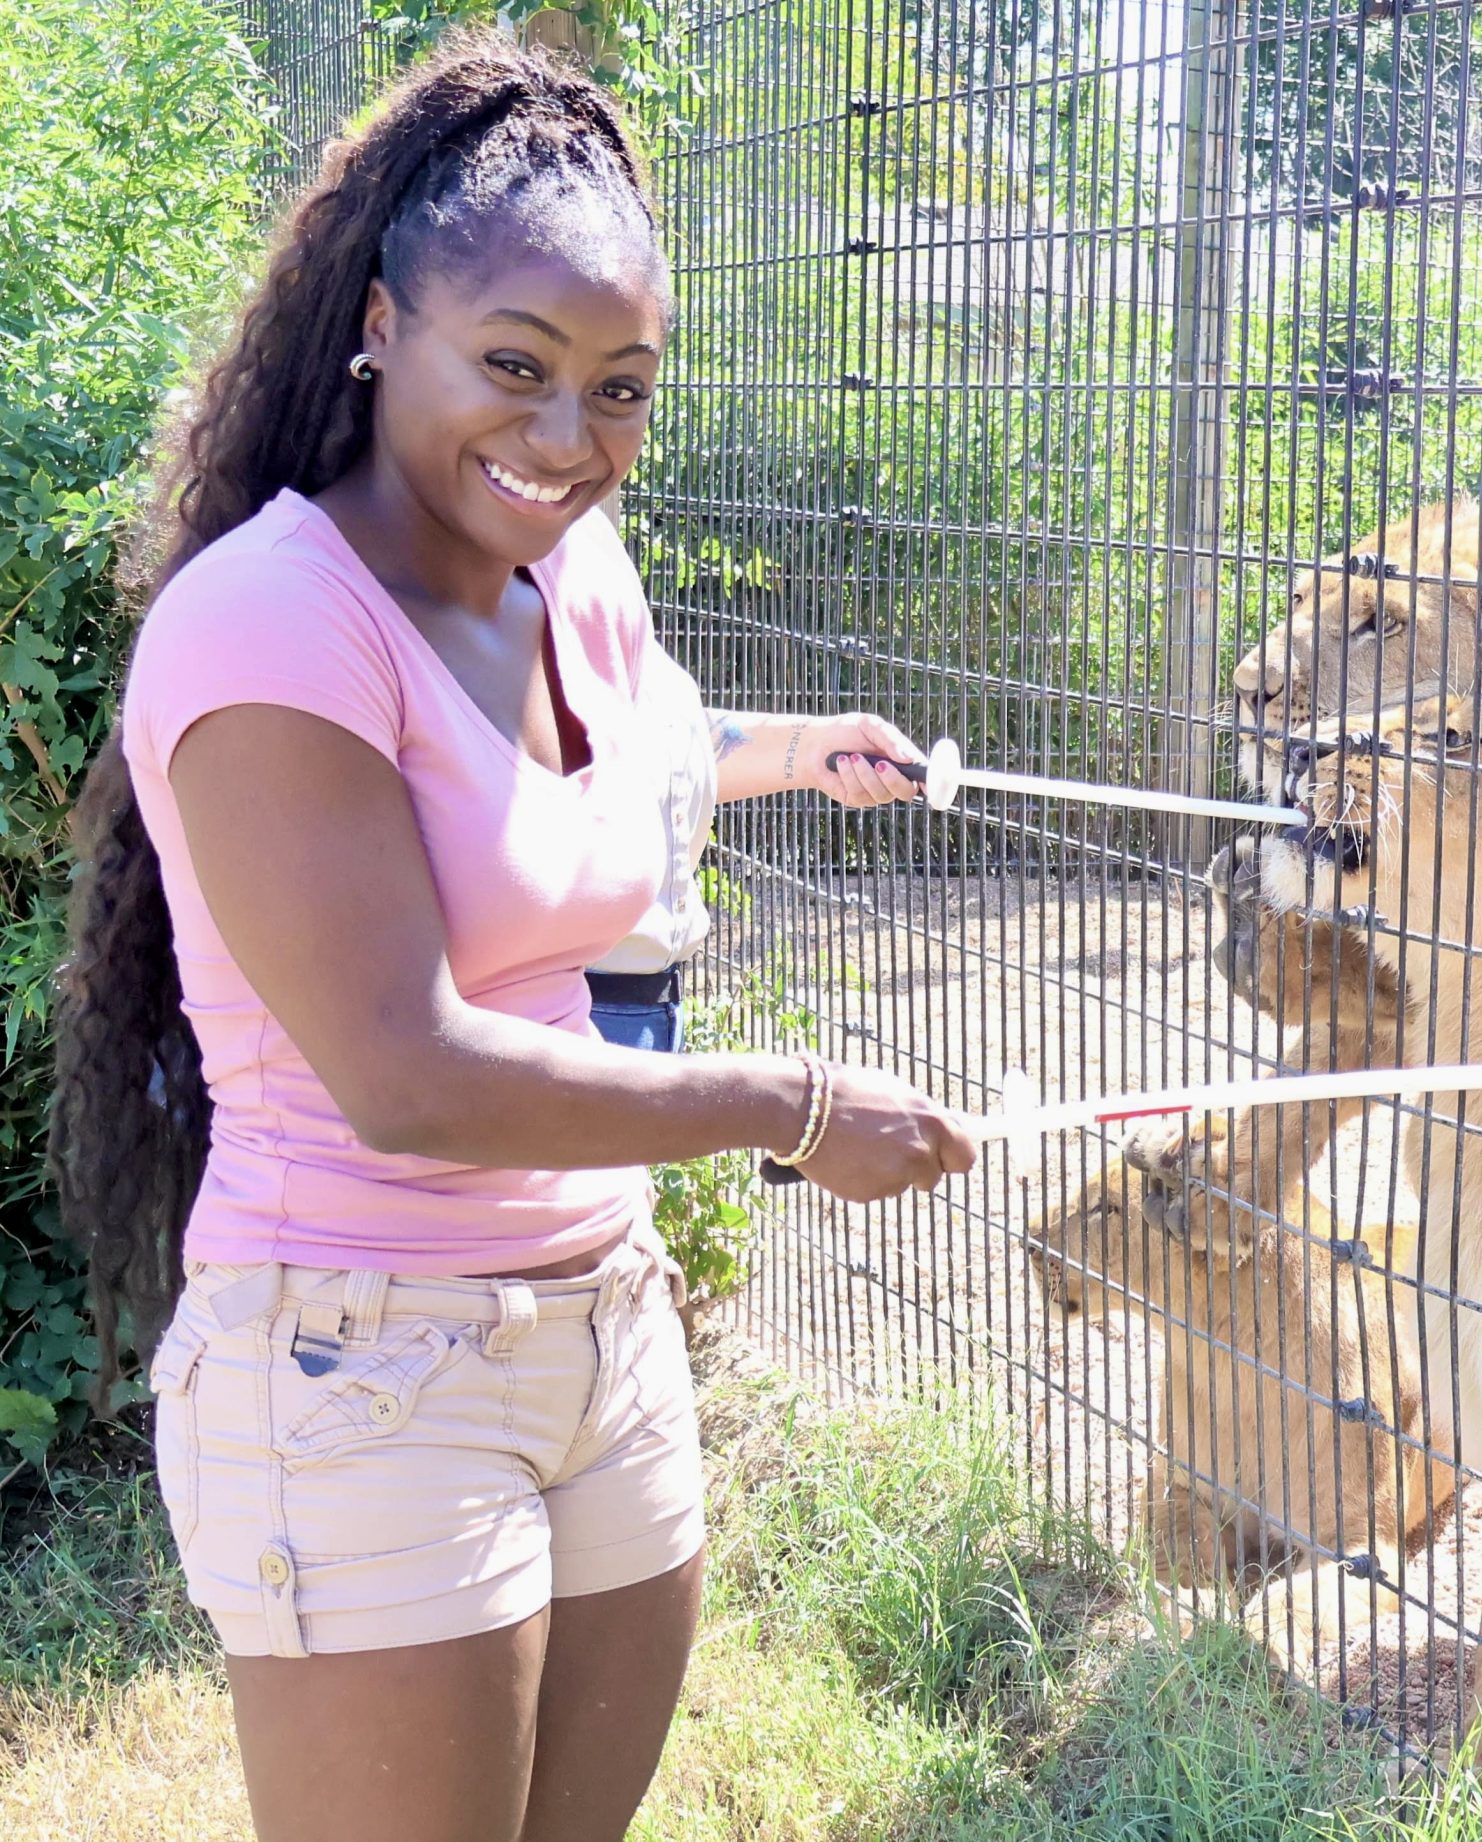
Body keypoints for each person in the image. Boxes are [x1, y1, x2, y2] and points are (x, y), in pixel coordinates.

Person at [45, 32, 973, 1842]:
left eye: (621, 388)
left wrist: (798, 753)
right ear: (385, 322)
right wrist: (786, 1107)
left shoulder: (578, 575)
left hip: (602, 1329)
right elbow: (403, 1069)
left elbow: (633, 772)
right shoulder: (274, 626)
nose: (567, 440)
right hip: (352, 1352)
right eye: (519, 367)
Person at [583, 647, 917, 1053]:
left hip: (643, 1009)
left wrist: (813, 748)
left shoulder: (602, 597)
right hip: (567, 1018)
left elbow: (654, 747)